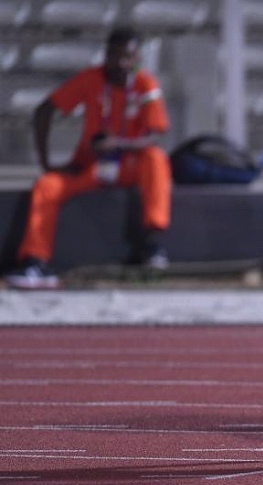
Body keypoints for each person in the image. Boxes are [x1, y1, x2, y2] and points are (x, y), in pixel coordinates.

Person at [4, 26, 172, 290]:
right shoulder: (92, 79)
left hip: (129, 164)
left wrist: (119, 143)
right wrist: (46, 161)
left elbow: (156, 135)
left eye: (127, 57)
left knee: (156, 158)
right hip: (91, 164)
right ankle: (35, 261)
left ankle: (152, 243)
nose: (120, 63)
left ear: (137, 59)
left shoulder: (146, 84)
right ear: (106, 54)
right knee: (48, 184)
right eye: (115, 55)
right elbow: (44, 111)